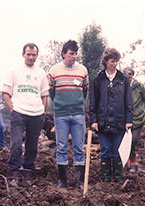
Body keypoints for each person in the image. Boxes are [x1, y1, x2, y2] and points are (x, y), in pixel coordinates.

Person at [2, 43, 49, 186]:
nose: (31, 57)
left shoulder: (41, 73)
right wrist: (12, 109)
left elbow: (44, 94)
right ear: (23, 54)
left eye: (33, 54)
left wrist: (42, 109)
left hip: (36, 114)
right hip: (19, 113)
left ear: (37, 56)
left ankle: (27, 173)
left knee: (32, 146)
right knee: (16, 144)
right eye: (28, 54)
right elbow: (5, 93)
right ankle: (14, 174)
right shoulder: (14, 70)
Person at [48, 40, 89, 188]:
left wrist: (78, 104)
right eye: (71, 53)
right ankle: (62, 181)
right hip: (61, 115)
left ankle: (80, 181)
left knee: (79, 146)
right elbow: (51, 92)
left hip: (78, 114)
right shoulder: (54, 71)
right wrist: (60, 104)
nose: (74, 56)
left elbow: (85, 91)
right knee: (61, 146)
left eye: (76, 53)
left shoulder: (82, 70)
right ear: (64, 54)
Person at [90, 48, 133, 183]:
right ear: (106, 62)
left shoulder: (123, 79)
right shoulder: (98, 79)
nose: (114, 64)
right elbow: (93, 102)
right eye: (112, 61)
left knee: (117, 151)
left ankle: (118, 178)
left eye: (116, 61)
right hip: (102, 122)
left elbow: (128, 101)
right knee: (105, 151)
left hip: (119, 122)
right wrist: (94, 120)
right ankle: (106, 179)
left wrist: (128, 120)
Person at [123, 66, 145, 173]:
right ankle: (125, 163)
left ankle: (133, 163)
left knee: (133, 140)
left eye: (129, 77)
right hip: (124, 119)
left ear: (132, 76)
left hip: (137, 119)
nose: (128, 79)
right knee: (124, 142)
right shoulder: (121, 86)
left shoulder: (139, 86)